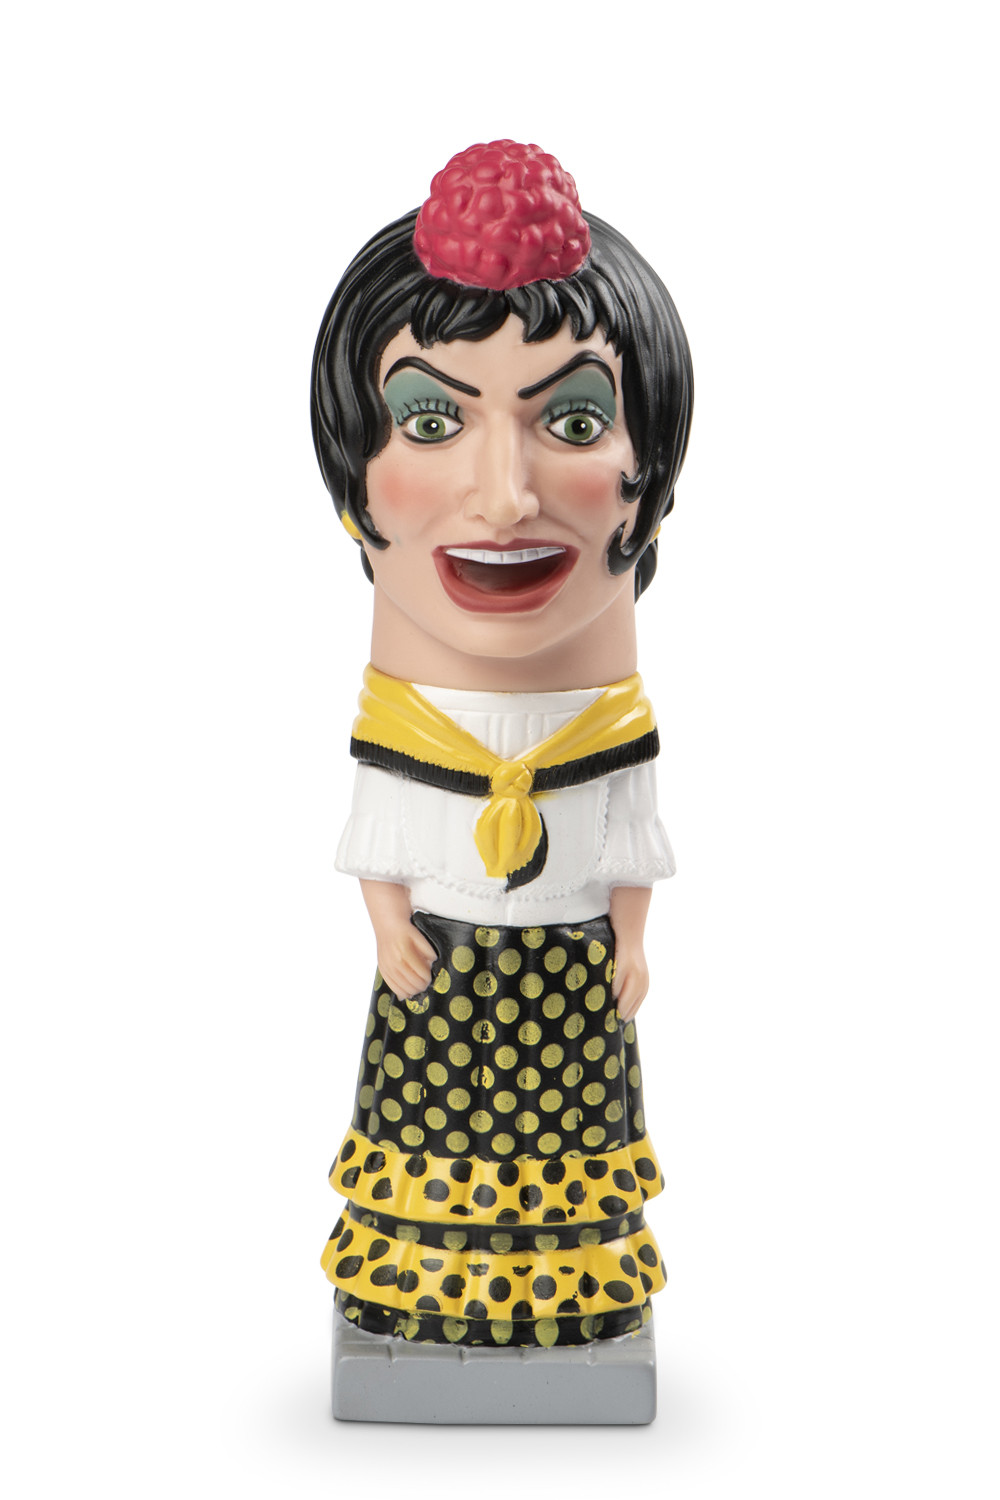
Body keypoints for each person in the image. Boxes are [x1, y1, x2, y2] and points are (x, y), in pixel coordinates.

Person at [311, 141, 693, 1349]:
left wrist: (631, 940)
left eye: (571, 419)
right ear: (352, 484)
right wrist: (388, 928)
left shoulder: (612, 733)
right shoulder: (403, 732)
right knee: (436, 1153)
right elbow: (385, 831)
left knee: (566, 1154)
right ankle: (427, 1303)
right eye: (430, 419)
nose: (505, 496)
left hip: (568, 979)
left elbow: (626, 838)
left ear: (649, 478)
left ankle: (566, 1307)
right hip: (443, 969)